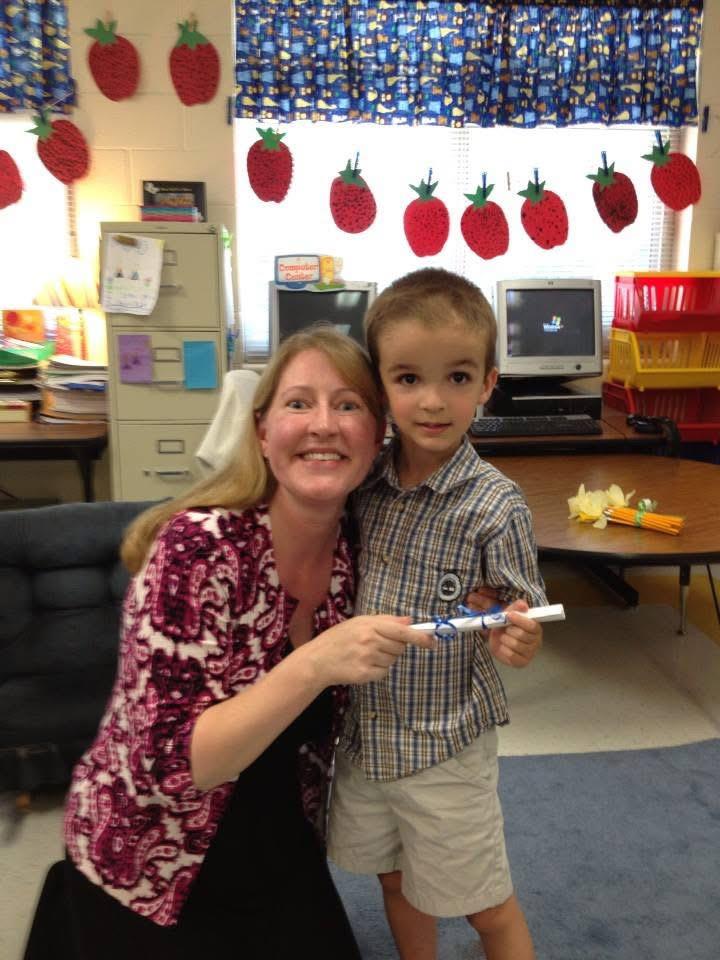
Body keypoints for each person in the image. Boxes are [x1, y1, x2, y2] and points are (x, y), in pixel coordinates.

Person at [24, 326, 435, 960]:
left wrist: (492, 611)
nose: (324, 423)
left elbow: (437, 599)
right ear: (263, 432)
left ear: (378, 436)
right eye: (299, 403)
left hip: (278, 837)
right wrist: (316, 663)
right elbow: (174, 766)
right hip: (150, 853)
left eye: (348, 404)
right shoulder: (199, 549)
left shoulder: (360, 551)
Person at [327, 268, 548, 960]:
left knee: (485, 905)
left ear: (487, 382)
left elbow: (525, 607)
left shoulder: (496, 504)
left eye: (456, 378)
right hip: (370, 734)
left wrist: (520, 635)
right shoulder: (369, 481)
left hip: (446, 742)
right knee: (395, 876)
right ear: (381, 386)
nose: (431, 402)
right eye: (407, 378)